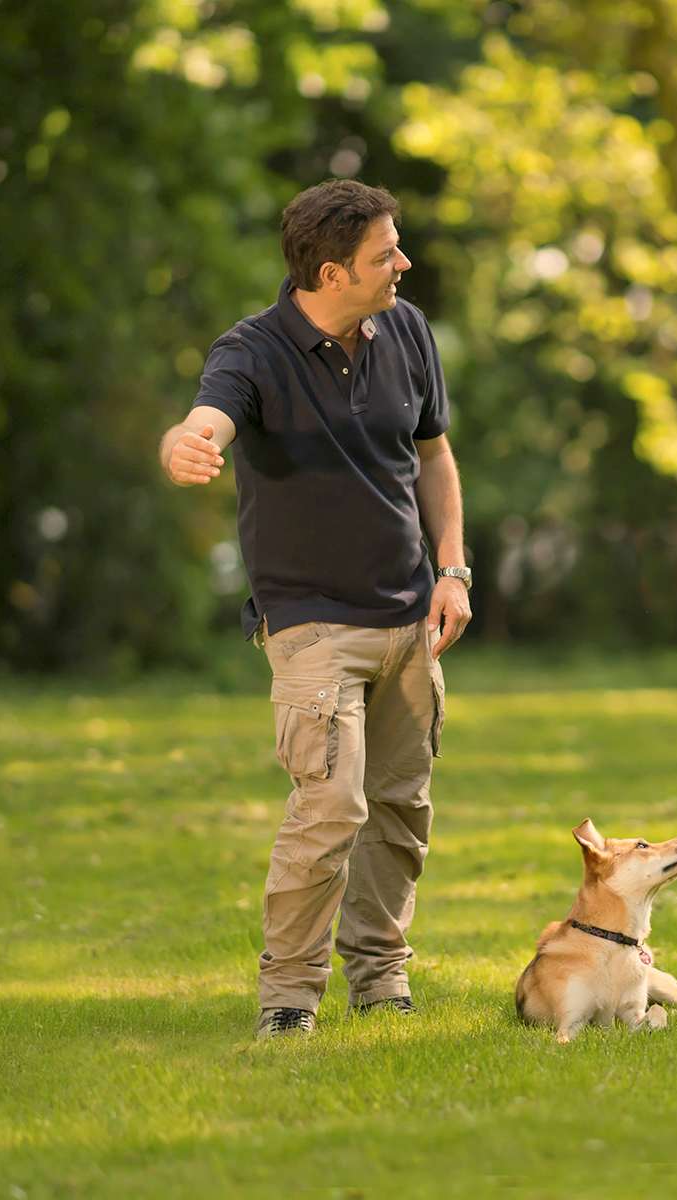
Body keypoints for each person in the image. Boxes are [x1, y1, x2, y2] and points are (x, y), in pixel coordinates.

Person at [159, 180, 472, 1039]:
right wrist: (187, 445)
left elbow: (435, 456)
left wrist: (454, 569)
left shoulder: (405, 329)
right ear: (332, 272)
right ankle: (289, 1000)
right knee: (331, 808)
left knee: (401, 807)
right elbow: (205, 421)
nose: (403, 263)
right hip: (311, 628)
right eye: (385, 254)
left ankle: (382, 979)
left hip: (411, 619)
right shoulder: (252, 351)